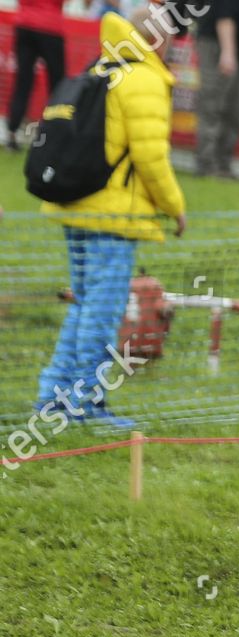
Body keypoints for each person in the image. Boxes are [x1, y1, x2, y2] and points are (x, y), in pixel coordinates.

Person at [37, 6, 187, 430]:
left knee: (84, 306)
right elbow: (151, 157)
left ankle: (53, 397)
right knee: (101, 313)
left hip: (77, 207)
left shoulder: (102, 63)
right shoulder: (146, 78)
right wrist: (175, 206)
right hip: (114, 219)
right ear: (160, 39)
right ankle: (86, 403)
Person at [193, 0, 239, 178]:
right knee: (214, 106)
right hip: (219, 47)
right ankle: (207, 163)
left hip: (236, 51)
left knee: (231, 110)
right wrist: (228, 52)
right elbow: (225, 16)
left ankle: (223, 164)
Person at [6, 0, 66, 150]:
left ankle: (12, 133)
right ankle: (55, 135)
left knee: (23, 82)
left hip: (25, 24)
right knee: (58, 85)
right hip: (50, 27)